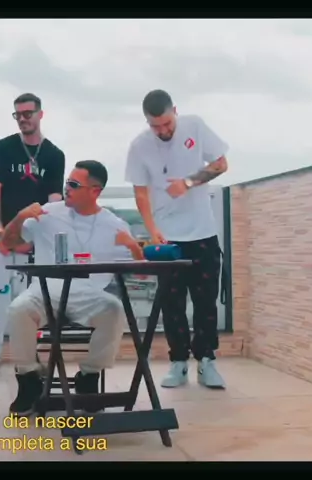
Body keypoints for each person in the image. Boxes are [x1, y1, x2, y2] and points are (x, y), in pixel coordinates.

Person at [0, 160, 144, 416]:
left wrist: (133, 247)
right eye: (67, 182)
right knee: (18, 310)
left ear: (95, 191)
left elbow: (140, 270)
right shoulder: (47, 213)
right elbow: (7, 243)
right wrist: (20, 217)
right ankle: (29, 379)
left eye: (74, 184)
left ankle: (88, 376)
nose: (67, 188)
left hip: (90, 295)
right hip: (45, 291)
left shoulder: (115, 225)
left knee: (114, 310)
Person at [124, 89, 229, 389]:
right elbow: (140, 193)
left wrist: (188, 182)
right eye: (155, 126)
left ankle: (207, 360)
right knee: (171, 303)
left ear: (175, 112)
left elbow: (221, 164)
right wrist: (151, 229)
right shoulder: (139, 146)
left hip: (202, 231)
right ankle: (178, 362)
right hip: (167, 236)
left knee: (206, 302)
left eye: (167, 123)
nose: (163, 131)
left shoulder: (195, 126)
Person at [0, 93, 66, 378]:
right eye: (18, 115)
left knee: (29, 301)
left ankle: (28, 356)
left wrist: (40, 238)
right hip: (0, 240)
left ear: (40, 114)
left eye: (27, 114)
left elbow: (54, 201)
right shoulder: (4, 148)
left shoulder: (54, 155)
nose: (23, 119)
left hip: (33, 240)